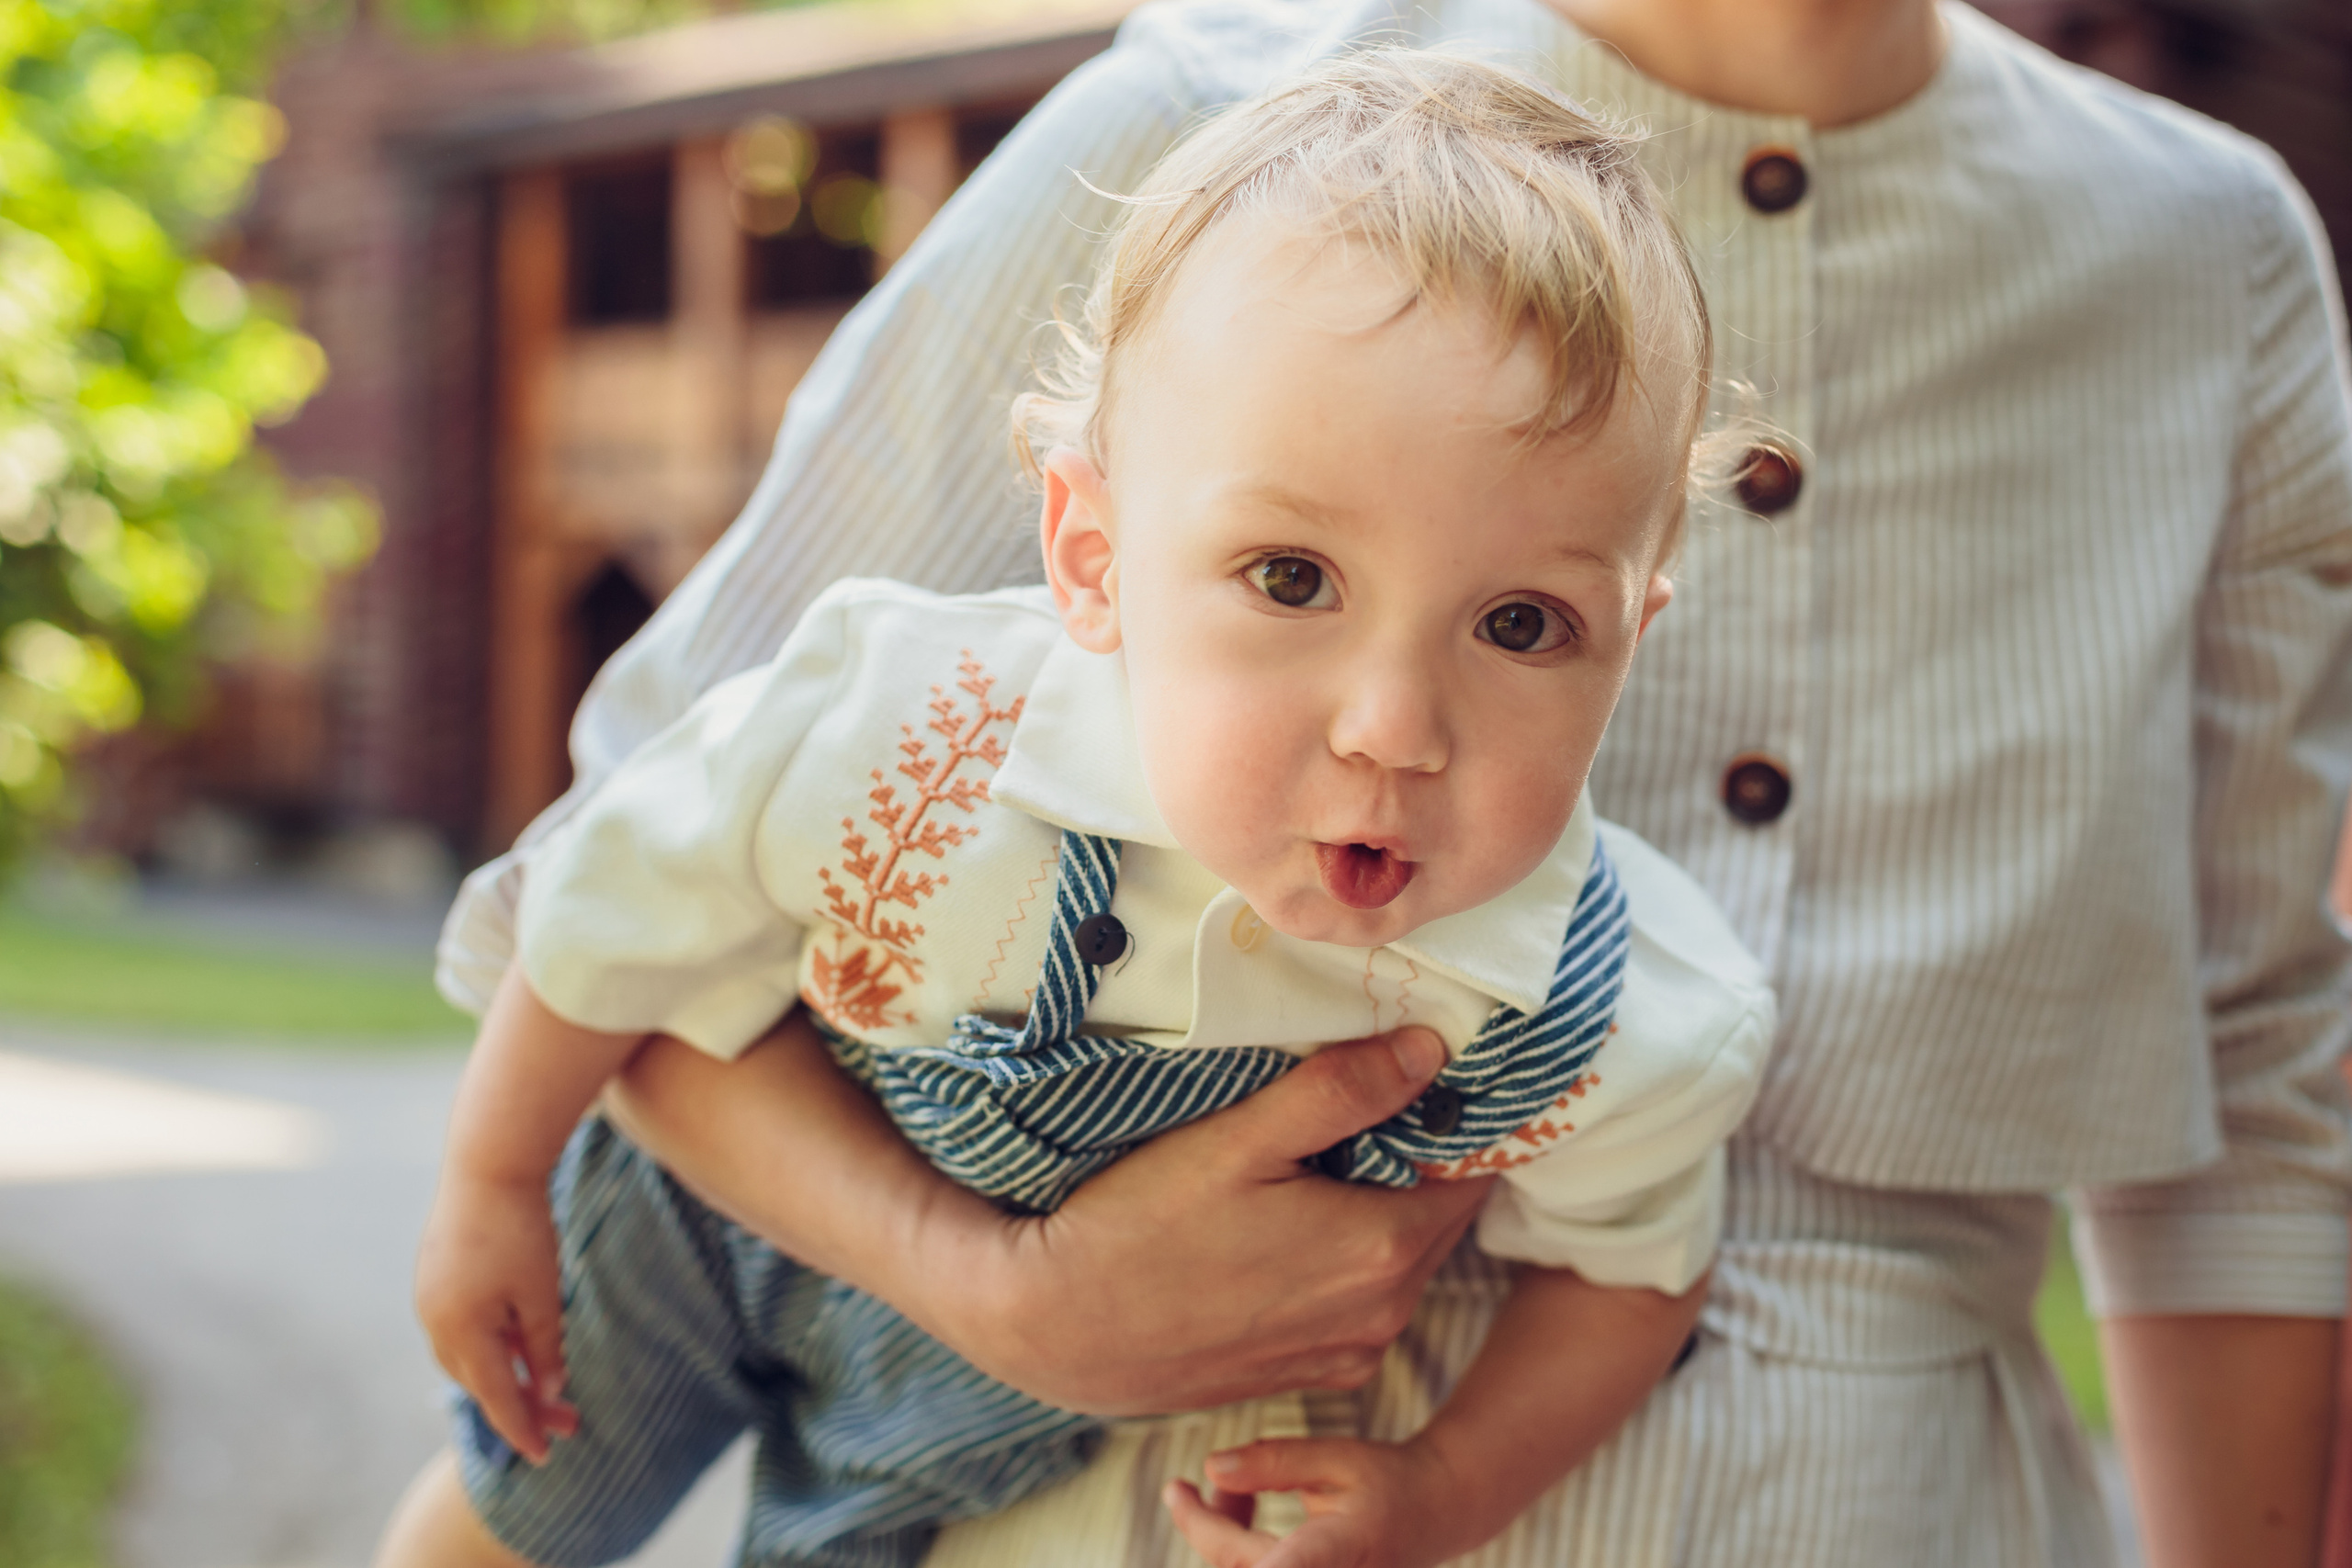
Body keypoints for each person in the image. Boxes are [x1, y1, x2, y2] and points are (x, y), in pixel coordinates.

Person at [395, 0, 2352, 1563]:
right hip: (1119, 1495)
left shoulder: (2210, 256)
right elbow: (645, 865)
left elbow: (2257, 1075)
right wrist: (983, 1283)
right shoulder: (1204, 122)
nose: (1397, 718)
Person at [385, 52, 1775, 1568]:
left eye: (1520, 626)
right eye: (1291, 580)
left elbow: (1631, 1275)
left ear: (1630, 643)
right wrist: (493, 1178)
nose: (1394, 729)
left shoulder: (1603, 1008)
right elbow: (609, 905)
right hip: (708, 1223)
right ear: (1093, 558)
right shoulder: (906, 722)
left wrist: (1448, 1488)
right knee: (515, 1503)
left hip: (962, 1430)